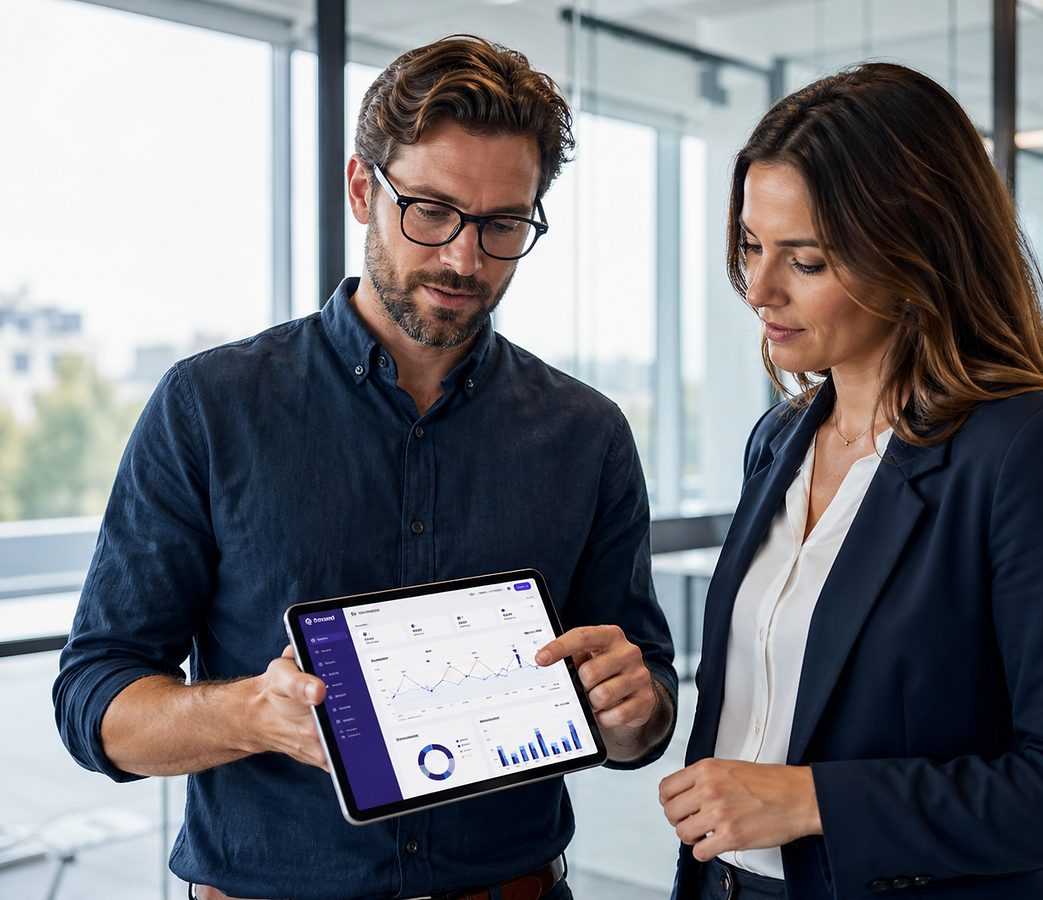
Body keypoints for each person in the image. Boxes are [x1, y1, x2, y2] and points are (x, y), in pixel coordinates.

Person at [54, 35, 677, 900]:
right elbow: (95, 701)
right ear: (361, 190)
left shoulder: (588, 433)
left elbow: (641, 697)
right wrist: (249, 716)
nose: (465, 259)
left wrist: (637, 708)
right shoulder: (210, 406)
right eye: (431, 210)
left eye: (504, 225)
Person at [658, 63, 1043, 900]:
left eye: (805, 260)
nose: (759, 290)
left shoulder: (1033, 450)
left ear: (914, 253)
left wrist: (817, 800)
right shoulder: (778, 437)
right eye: (750, 246)